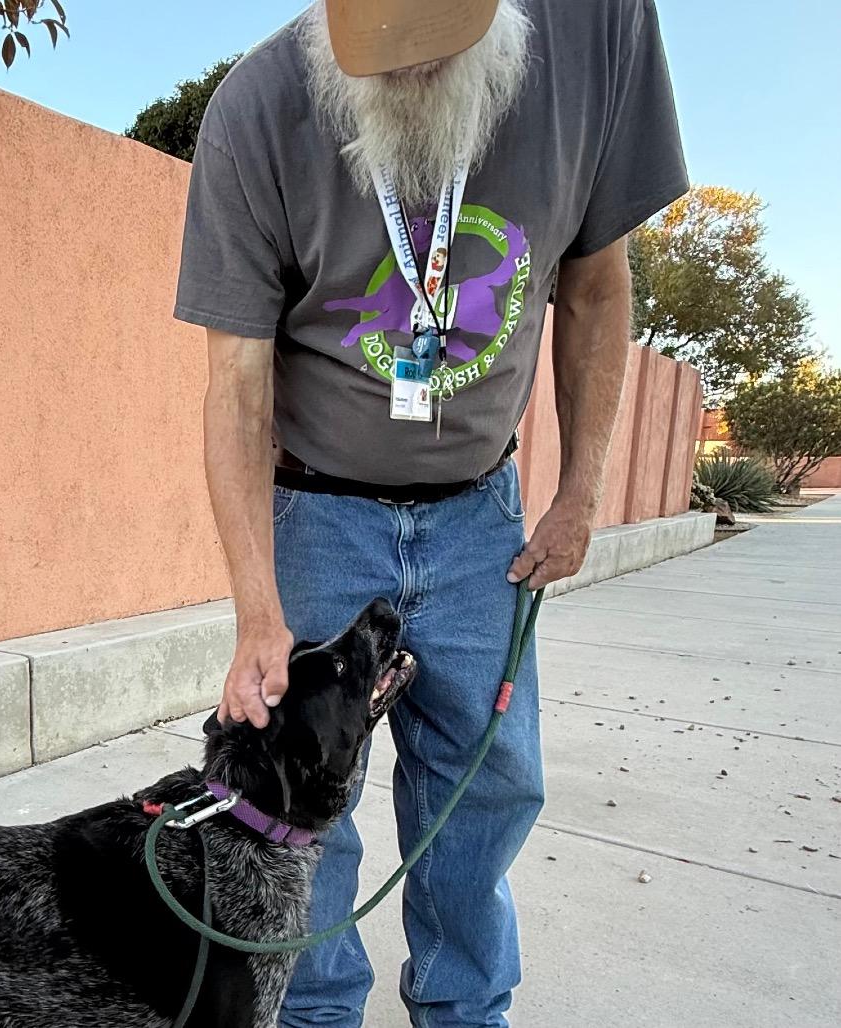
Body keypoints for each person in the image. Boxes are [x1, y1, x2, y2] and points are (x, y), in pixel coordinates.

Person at [174, 1, 687, 1023]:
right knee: (300, 805)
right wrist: (257, 612)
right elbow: (234, 382)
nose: (405, 71)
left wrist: (579, 491)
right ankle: (315, 1012)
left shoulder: (598, 33)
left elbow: (595, 286)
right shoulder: (256, 109)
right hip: (319, 511)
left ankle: (464, 1009)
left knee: (486, 790)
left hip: (479, 518)